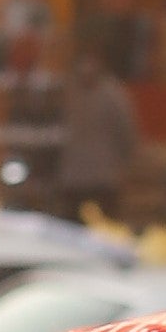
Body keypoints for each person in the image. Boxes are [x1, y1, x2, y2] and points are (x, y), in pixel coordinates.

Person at [55, 45, 141, 219]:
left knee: (103, 230)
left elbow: (126, 132)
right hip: (75, 177)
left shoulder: (113, 94)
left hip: (103, 178)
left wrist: (124, 162)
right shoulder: (69, 91)